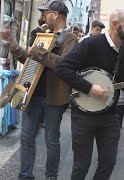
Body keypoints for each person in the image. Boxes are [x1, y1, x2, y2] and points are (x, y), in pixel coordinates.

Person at [54, 9, 124, 180]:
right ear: (115, 25)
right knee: (81, 165)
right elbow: (62, 68)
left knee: (108, 163)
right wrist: (89, 88)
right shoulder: (90, 44)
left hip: (110, 116)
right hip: (83, 115)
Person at [0, 0, 78, 179]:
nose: (43, 16)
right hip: (31, 94)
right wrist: (12, 41)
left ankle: (51, 176)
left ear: (56, 15)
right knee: (26, 138)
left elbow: (63, 65)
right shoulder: (42, 35)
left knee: (51, 141)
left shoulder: (69, 39)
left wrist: (37, 52)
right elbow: (28, 61)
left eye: (46, 12)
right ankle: (25, 175)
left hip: (55, 98)